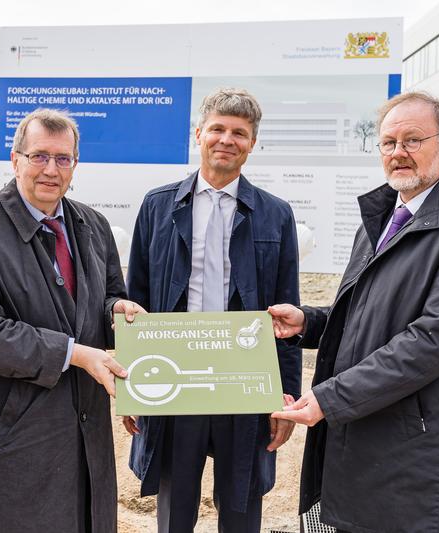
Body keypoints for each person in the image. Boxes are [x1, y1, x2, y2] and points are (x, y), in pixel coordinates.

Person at [269, 92, 439, 532]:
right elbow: (373, 316)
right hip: (367, 449)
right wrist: (309, 322)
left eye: (412, 140)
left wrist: (330, 397)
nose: (398, 153)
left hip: (424, 467)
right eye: (388, 142)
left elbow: (436, 339)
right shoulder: (384, 219)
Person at [0, 108, 144, 532]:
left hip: (83, 431)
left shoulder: (93, 225)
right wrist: (73, 354)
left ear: (75, 164)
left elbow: (106, 297)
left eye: (63, 158)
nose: (51, 169)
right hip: (9, 437)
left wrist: (116, 313)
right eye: (39, 156)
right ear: (15, 160)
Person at [124, 88, 302, 532]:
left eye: (239, 133)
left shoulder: (275, 215)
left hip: (245, 383)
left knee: (242, 505)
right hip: (178, 379)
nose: (227, 139)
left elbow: (287, 313)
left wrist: (287, 396)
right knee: (175, 504)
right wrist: (130, 385)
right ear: (199, 134)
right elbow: (136, 296)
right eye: (218, 129)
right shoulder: (158, 205)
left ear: (252, 143)